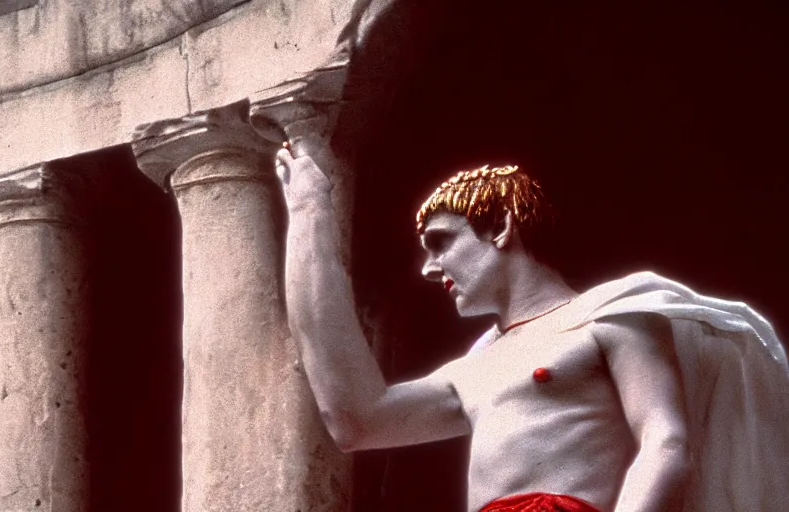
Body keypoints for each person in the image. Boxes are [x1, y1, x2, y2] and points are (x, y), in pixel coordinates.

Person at [274, 147, 789, 512]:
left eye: (441, 242)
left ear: (499, 227)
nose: (429, 269)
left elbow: (666, 443)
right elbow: (355, 420)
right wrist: (308, 214)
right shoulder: (477, 367)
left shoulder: (613, 315)